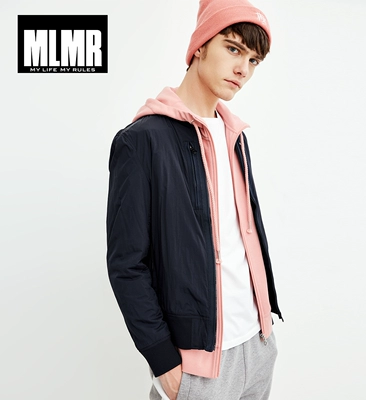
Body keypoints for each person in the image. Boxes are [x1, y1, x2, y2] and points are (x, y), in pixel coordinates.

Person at [106, 0, 283, 398]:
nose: (243, 69)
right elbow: (126, 263)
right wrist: (163, 362)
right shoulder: (142, 141)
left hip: (257, 344)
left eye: (253, 61)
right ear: (200, 45)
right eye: (233, 49)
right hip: (197, 364)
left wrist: (265, 333)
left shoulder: (236, 136)